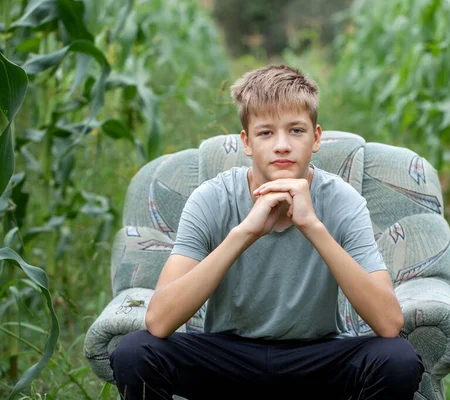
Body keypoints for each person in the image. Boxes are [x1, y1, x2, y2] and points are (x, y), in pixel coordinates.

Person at [109, 64, 424, 399]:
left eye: (296, 131)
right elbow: (159, 321)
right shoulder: (212, 198)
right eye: (266, 133)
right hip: (227, 358)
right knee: (135, 352)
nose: (282, 146)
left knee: (398, 359)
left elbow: (389, 324)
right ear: (246, 142)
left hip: (316, 358)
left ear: (316, 138)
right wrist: (244, 233)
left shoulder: (344, 201)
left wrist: (313, 226)